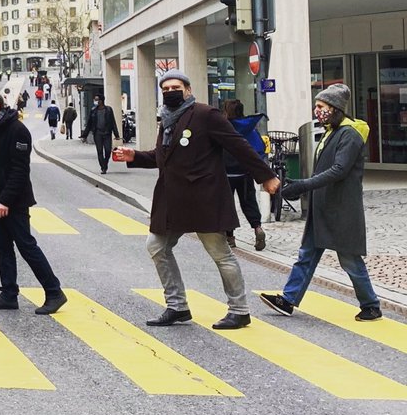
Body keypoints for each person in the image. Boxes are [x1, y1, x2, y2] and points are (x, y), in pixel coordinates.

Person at [115, 70, 278, 331]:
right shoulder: (166, 120)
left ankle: (239, 310)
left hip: (204, 199)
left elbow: (238, 145)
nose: (170, 92)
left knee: (220, 254)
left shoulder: (206, 115)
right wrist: (134, 156)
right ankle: (177, 306)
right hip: (172, 200)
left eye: (176, 87)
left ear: (188, 90)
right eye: (166, 88)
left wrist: (265, 176)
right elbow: (162, 156)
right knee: (157, 247)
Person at [259, 83, 382, 321]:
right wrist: (298, 183)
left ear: (335, 108)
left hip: (342, 209)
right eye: (316, 106)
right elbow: (326, 170)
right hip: (324, 207)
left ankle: (371, 305)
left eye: (321, 106)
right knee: (306, 254)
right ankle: (288, 300)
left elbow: (339, 170)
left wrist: (304, 185)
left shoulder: (349, 134)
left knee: (349, 259)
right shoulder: (332, 132)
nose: (317, 111)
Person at [0, 90, 67, 314]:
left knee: (26, 246)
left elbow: (19, 170)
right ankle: (8, 293)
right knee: (3, 248)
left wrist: (5, 200)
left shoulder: (17, 130)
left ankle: (54, 291)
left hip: (12, 202)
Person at [222, 99, 267, 252]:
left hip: (226, 174)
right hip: (245, 173)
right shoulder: (249, 128)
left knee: (226, 206)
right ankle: (257, 228)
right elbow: (259, 149)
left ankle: (230, 238)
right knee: (249, 202)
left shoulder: (223, 127)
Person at [87, 94, 120, 174]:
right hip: (97, 133)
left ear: (101, 101)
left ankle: (105, 163)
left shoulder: (109, 110)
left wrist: (116, 135)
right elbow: (89, 123)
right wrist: (84, 135)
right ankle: (103, 167)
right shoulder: (93, 110)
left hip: (107, 133)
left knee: (108, 150)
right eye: (95, 99)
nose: (95, 101)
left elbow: (113, 122)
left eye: (97, 100)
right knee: (100, 151)